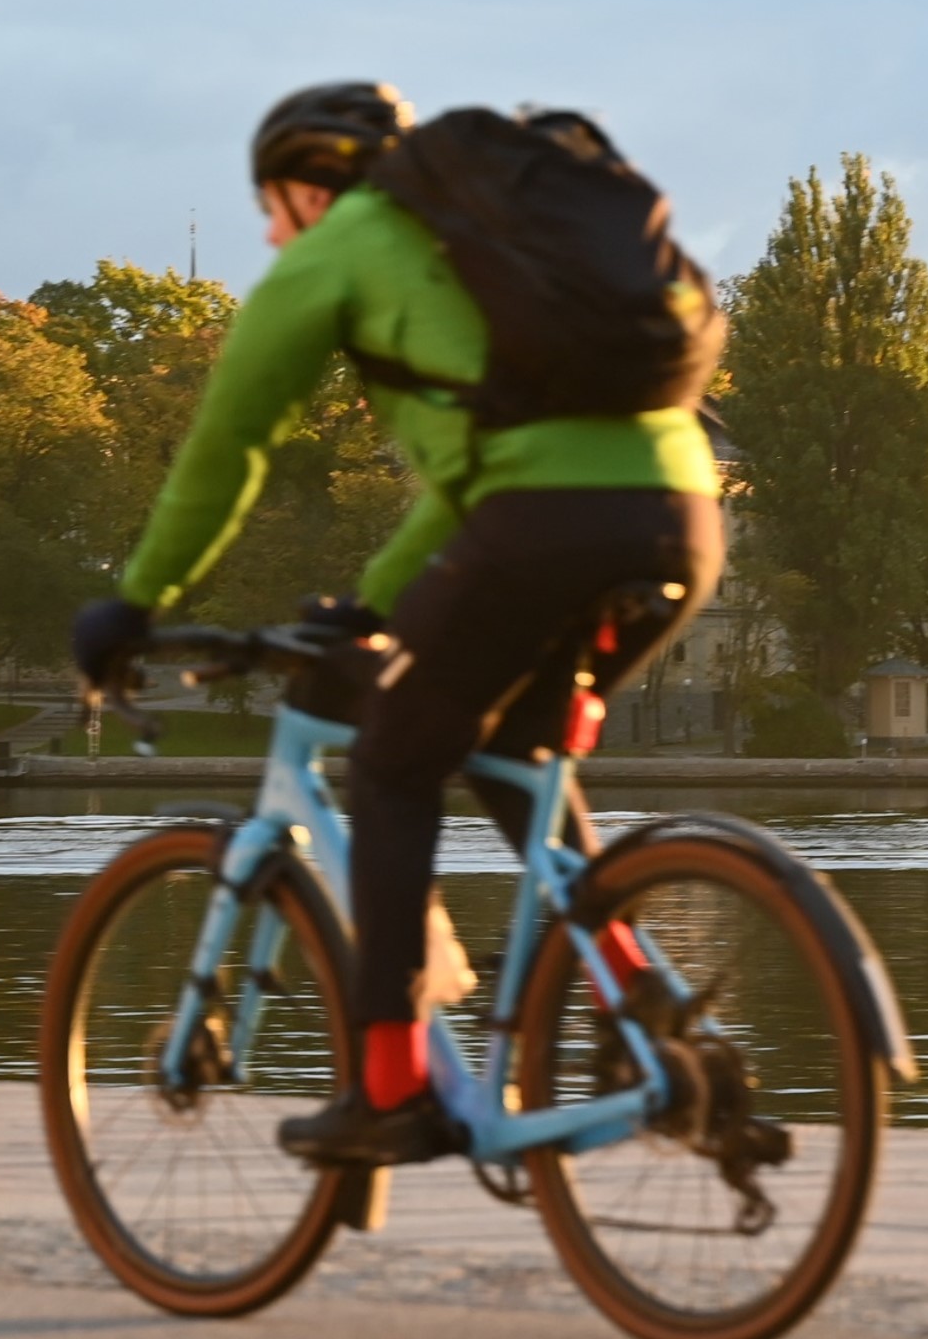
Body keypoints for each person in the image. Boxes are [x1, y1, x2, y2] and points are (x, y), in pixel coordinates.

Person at [74, 81, 725, 1168]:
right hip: (683, 520)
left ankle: (386, 1088)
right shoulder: (490, 250)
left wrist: (139, 599)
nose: (271, 233)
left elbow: (228, 447)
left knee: (391, 762)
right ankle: (649, 1008)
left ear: (308, 184)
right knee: (514, 753)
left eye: (271, 207)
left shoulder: (342, 249)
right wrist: (380, 602)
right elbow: (479, 467)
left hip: (537, 526)